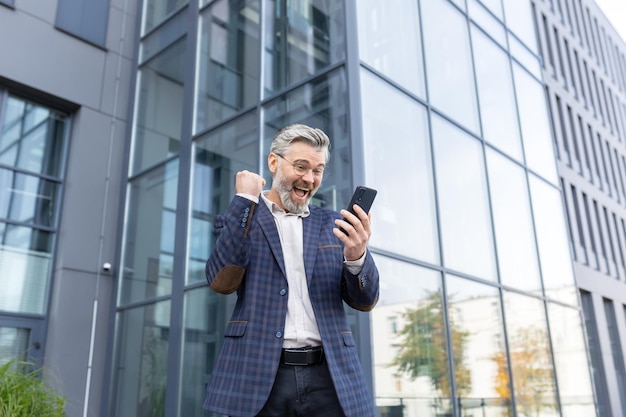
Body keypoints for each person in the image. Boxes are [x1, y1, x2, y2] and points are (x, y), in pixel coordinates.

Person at [202, 124, 380, 417]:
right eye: (301, 166)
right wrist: (245, 200)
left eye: (318, 170)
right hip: (260, 376)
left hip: (331, 376)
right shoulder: (242, 219)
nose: (309, 178)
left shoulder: (334, 225)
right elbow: (221, 280)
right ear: (274, 162)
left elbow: (365, 300)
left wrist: (356, 256)